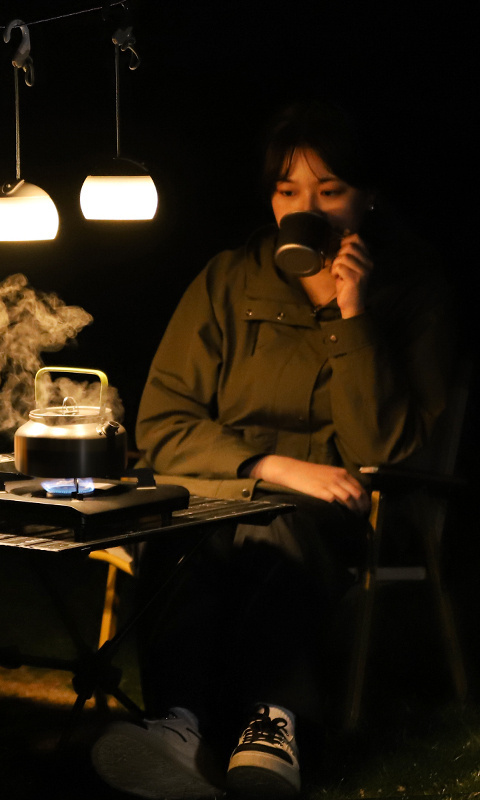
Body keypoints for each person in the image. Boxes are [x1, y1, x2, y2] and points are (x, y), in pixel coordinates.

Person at [91, 100, 454, 799]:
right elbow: (164, 419)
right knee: (186, 525)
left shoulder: (413, 294)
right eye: (288, 191)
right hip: (226, 487)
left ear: (368, 197)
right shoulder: (230, 278)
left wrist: (353, 315)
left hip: (346, 508)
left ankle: (271, 723)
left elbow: (384, 448)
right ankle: (182, 726)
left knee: (276, 527)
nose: (304, 208)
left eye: (329, 190)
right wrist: (270, 467)